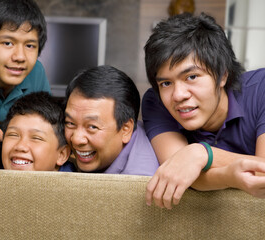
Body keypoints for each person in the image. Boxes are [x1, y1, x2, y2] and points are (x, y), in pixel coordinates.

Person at [142, 12, 265, 209]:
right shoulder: (156, 101)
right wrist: (226, 175)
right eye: (166, 83)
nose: (178, 95)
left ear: (222, 75)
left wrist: (202, 155)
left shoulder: (261, 89)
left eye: (191, 77)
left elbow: (261, 174)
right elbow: (178, 173)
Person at [64, 65, 159, 175]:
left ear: (126, 129)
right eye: (70, 123)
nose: (76, 139)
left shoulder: (137, 181)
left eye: (92, 127)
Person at [1, 92, 76, 172]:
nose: (20, 147)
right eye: (13, 135)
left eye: (36, 138)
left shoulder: (78, 183)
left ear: (62, 155)